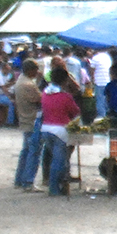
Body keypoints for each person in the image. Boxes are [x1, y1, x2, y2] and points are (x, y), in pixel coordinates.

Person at [39, 68, 82, 197]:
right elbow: (75, 112)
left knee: (55, 160)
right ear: (65, 80)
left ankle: (57, 185)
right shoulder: (65, 96)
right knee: (59, 161)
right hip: (60, 131)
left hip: (46, 129)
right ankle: (54, 188)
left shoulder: (45, 94)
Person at [13, 59, 44, 190]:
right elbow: (40, 98)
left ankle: (19, 179)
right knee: (34, 151)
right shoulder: (28, 85)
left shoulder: (21, 80)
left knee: (26, 150)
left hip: (25, 119)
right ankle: (28, 181)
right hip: (31, 120)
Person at [89, 48, 113, 119]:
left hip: (99, 82)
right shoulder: (108, 57)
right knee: (106, 100)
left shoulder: (95, 58)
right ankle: (107, 116)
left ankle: (101, 118)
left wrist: (92, 80)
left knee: (100, 100)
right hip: (107, 81)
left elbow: (92, 71)